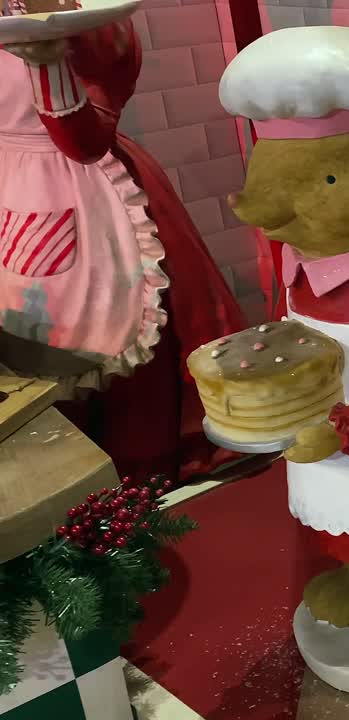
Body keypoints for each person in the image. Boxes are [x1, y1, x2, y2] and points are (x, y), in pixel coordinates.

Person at [0, 13, 244, 481]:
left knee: (104, 338)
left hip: (84, 194)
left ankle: (128, 488)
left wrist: (48, 64)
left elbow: (86, 142)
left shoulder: (91, 19)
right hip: (13, 195)